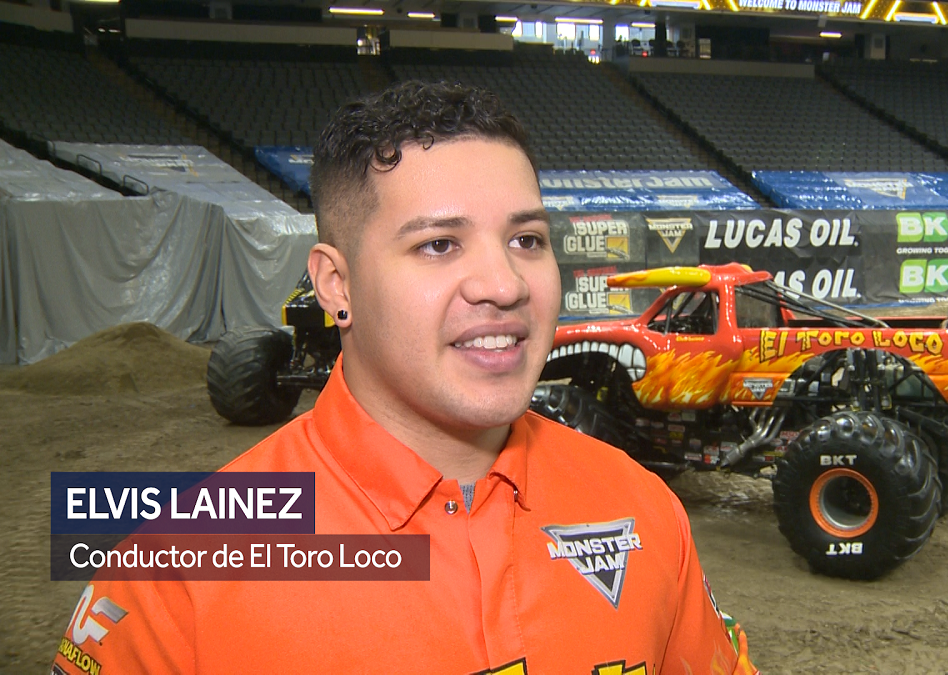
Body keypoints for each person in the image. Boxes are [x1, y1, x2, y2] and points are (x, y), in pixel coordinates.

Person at [52, 80, 757, 674]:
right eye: (439, 243)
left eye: (527, 239)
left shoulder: (644, 509)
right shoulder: (181, 570)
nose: (504, 283)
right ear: (336, 283)